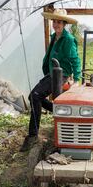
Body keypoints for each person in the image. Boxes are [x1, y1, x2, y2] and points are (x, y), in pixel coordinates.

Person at [20, 9, 81, 152]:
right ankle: (57, 110)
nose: (56, 24)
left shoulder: (68, 40)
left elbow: (75, 59)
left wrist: (77, 79)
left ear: (64, 24)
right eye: (54, 21)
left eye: (59, 22)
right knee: (34, 96)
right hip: (51, 73)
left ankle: (32, 136)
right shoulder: (54, 36)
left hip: (62, 74)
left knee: (35, 96)